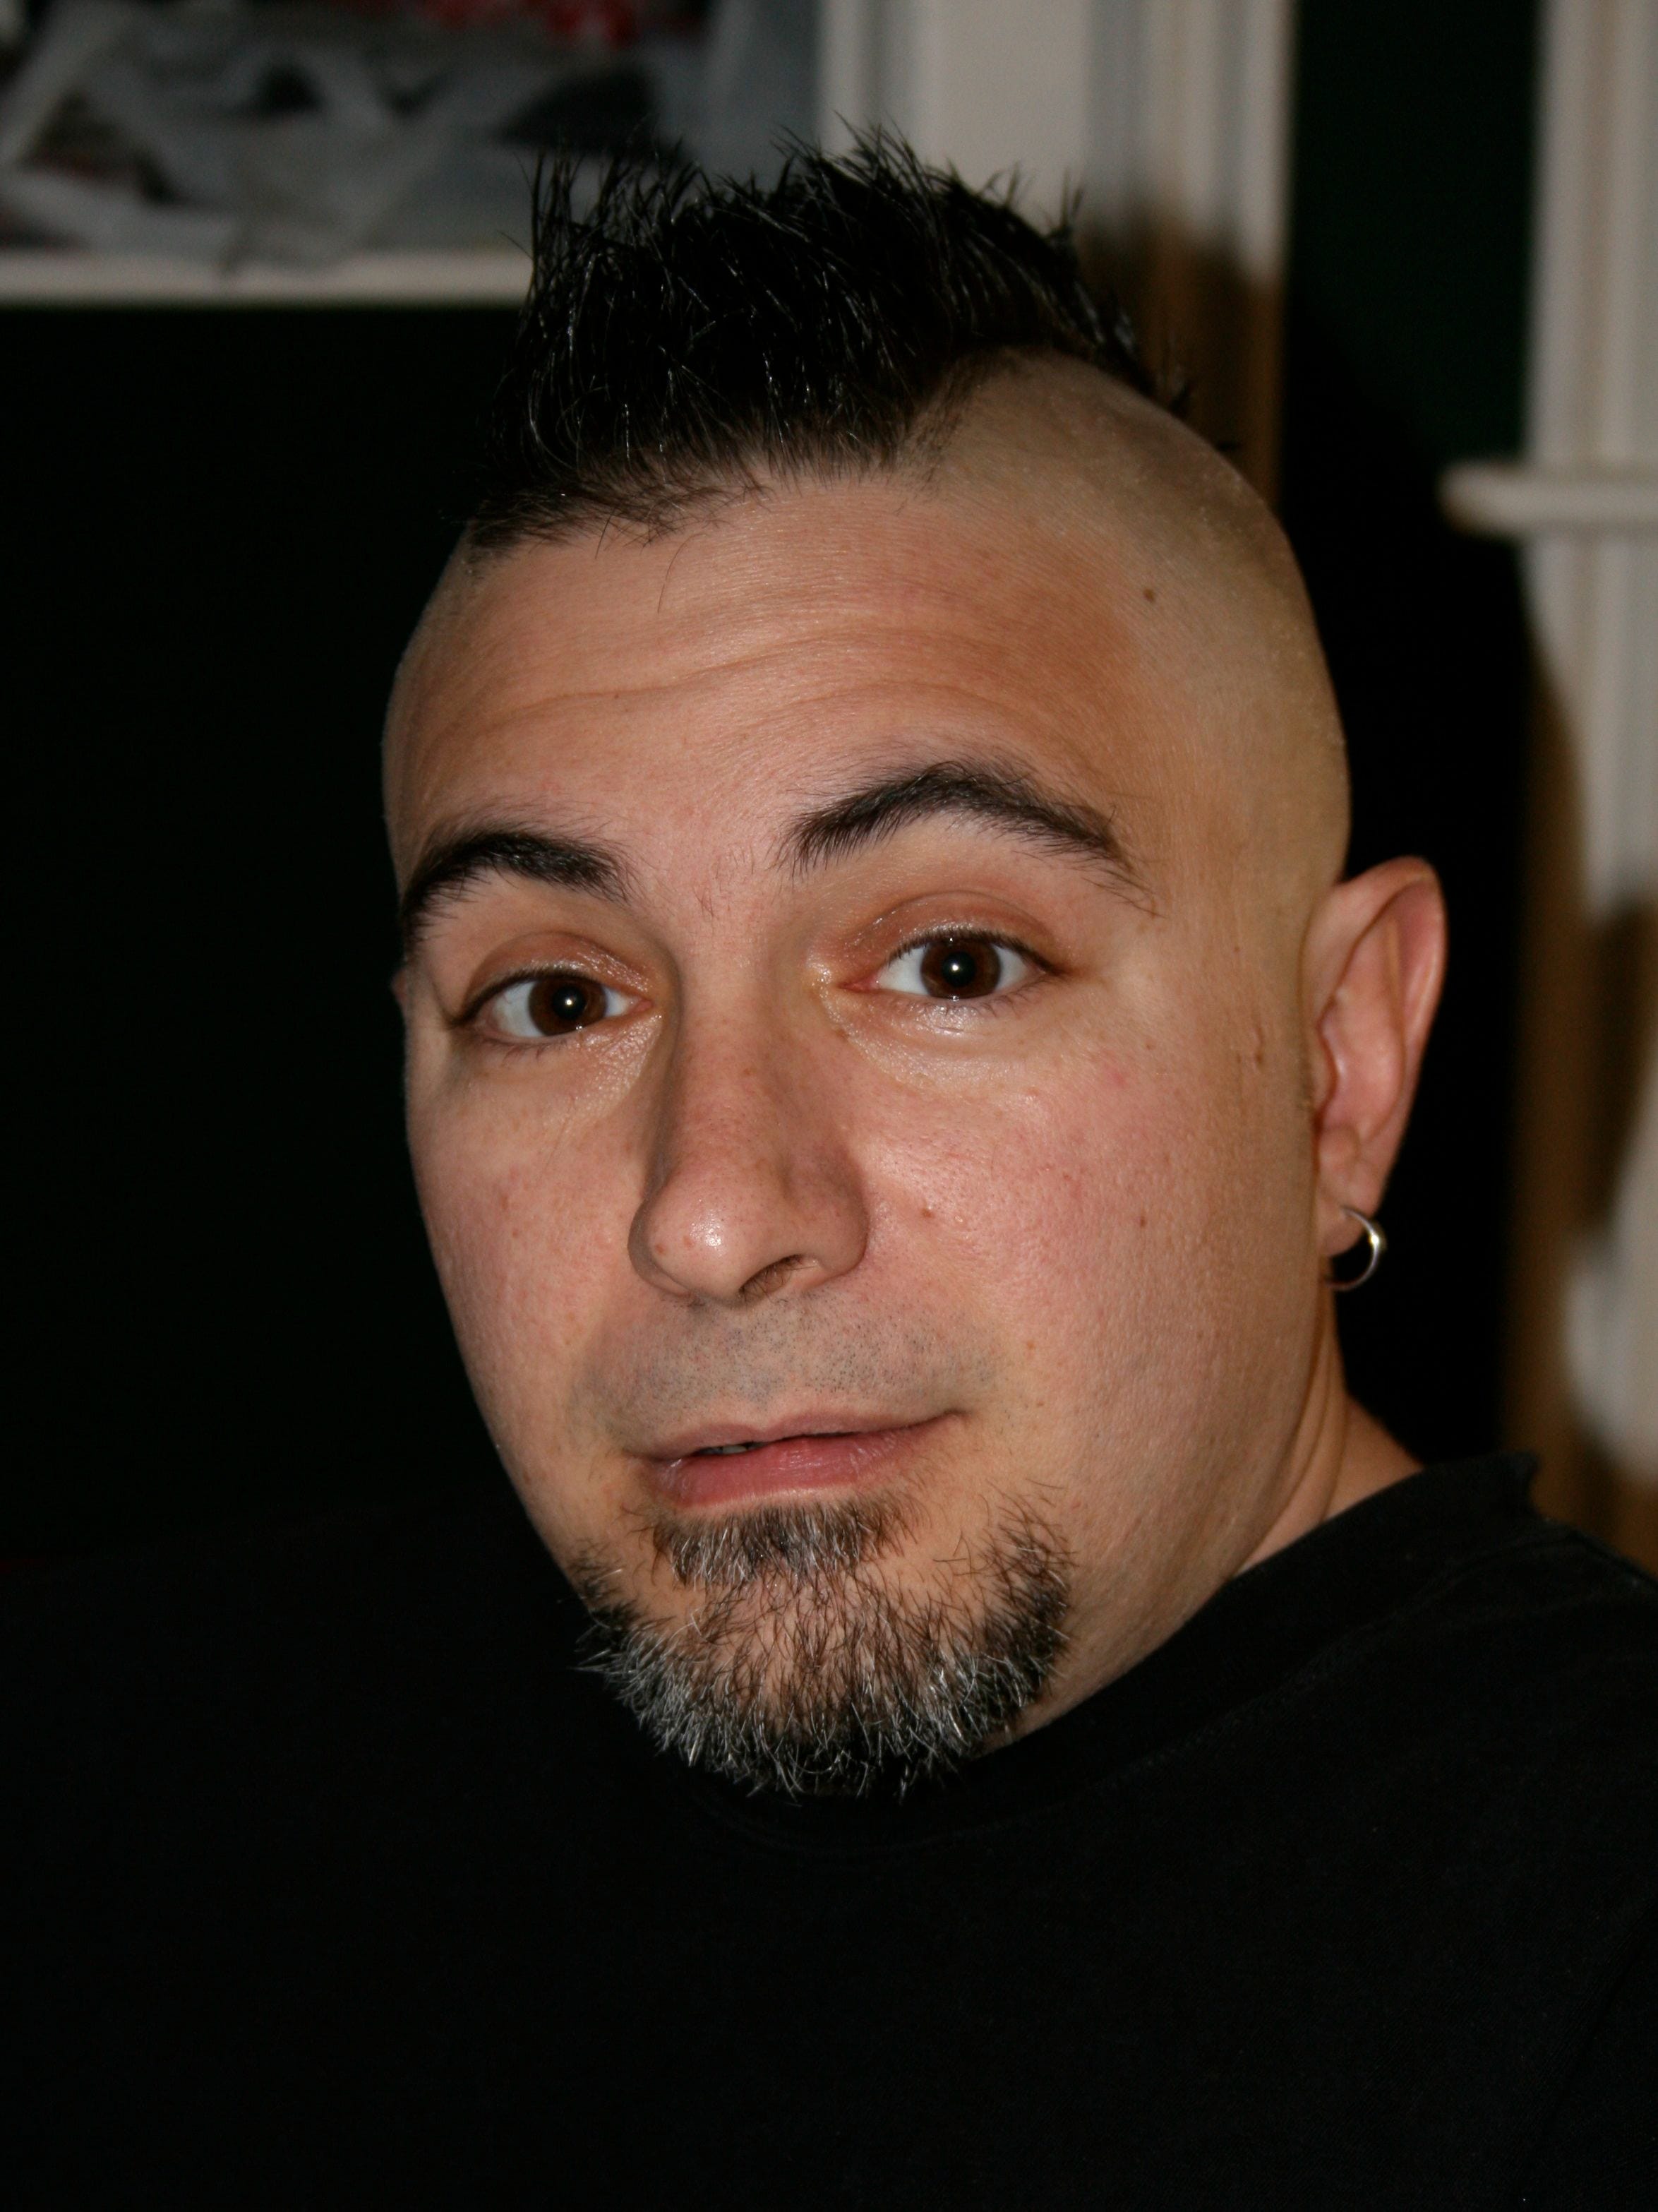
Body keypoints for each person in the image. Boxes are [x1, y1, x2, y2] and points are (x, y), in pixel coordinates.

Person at [6, 143, 1654, 2206]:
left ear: (1340, 1063)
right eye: (554, 999)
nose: (711, 1213)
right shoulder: (118, 1793)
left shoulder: (1595, 1963)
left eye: (952, 963)